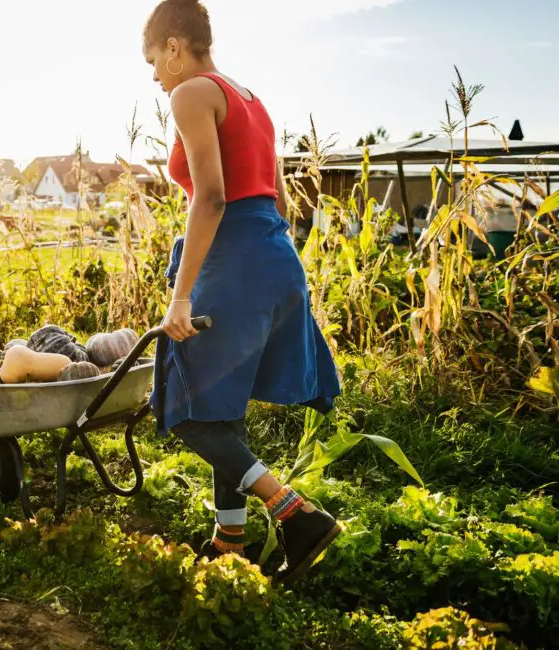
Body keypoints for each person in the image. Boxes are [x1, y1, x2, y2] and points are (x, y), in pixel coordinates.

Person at [143, 0, 343, 584]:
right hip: (274, 258)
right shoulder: (250, 98)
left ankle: (294, 513)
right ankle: (229, 539)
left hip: (232, 266)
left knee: (183, 409)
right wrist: (271, 268)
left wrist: (181, 297)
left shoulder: (190, 94)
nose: (155, 75)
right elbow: (276, 196)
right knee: (221, 406)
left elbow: (209, 197)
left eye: (154, 60)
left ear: (175, 46)